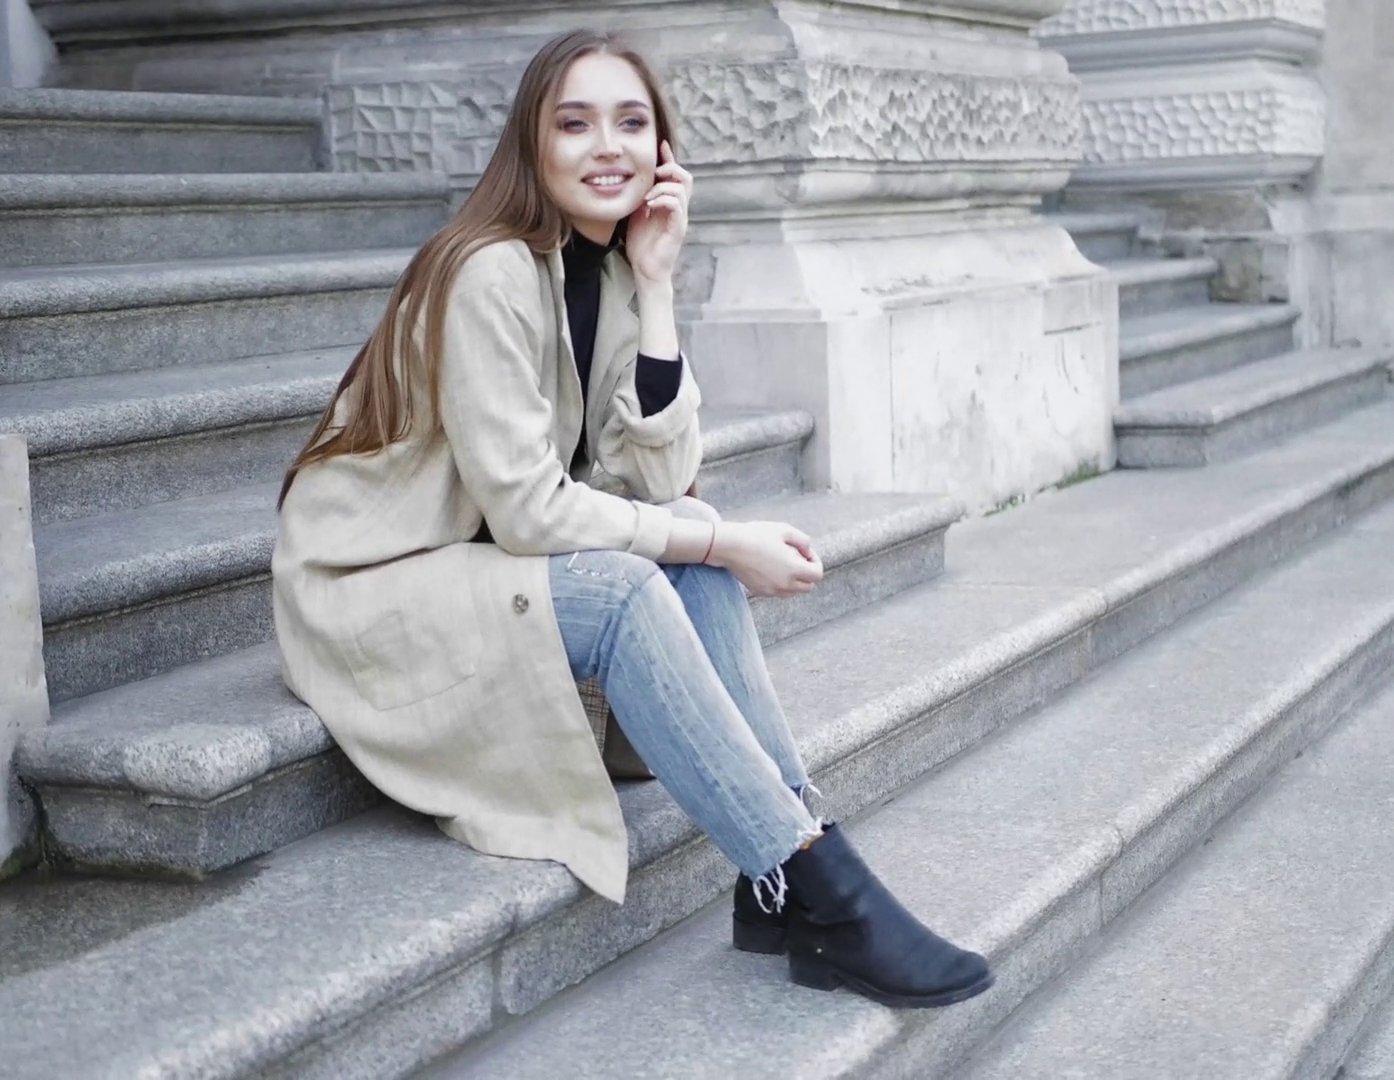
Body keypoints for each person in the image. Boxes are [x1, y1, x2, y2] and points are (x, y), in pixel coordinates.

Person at [271, 28, 991, 1009]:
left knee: (687, 543)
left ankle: (784, 875)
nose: (608, 146)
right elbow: (528, 510)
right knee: (634, 582)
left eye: (631, 123)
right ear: (532, 144)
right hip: (376, 589)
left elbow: (660, 476)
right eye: (575, 124)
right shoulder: (484, 270)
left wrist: (656, 284)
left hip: (478, 565)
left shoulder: (606, 272)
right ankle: (821, 891)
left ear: (663, 150)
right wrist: (724, 540)